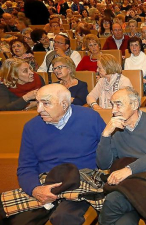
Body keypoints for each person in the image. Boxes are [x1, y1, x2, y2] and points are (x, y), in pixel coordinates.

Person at [8, 84, 106, 224]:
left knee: (63, 217)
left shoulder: (90, 118)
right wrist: (35, 189)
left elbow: (108, 154)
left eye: (46, 103)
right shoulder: (31, 127)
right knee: (14, 218)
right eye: (38, 102)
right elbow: (26, 167)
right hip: (45, 184)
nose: (39, 109)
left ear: (64, 104)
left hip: (80, 183)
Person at [97, 87, 146, 225]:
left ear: (134, 105)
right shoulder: (116, 130)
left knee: (112, 201)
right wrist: (105, 135)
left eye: (118, 104)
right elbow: (104, 164)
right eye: (112, 104)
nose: (113, 110)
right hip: (130, 183)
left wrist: (128, 169)